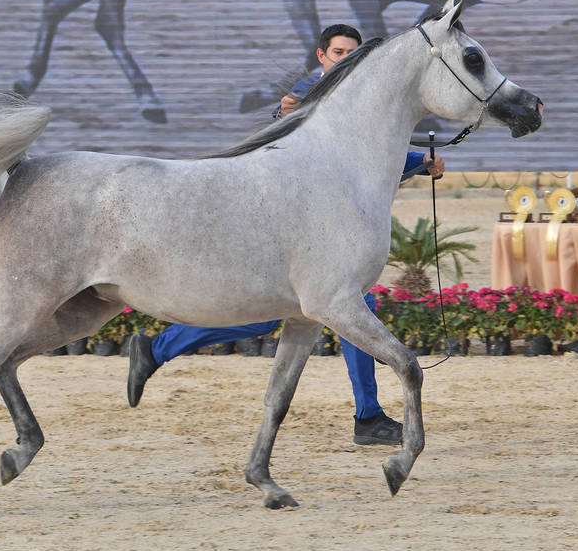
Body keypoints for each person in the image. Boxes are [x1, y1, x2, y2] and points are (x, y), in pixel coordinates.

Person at [127, 23, 445, 446]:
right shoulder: (308, 94)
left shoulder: (356, 97)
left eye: (352, 52)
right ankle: (158, 348)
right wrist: (285, 113)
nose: (345, 58)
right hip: (287, 231)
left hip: (323, 237)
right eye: (337, 52)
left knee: (336, 311)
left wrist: (419, 162)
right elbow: (294, 147)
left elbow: (362, 159)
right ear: (321, 56)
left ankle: (368, 415)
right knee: (265, 317)